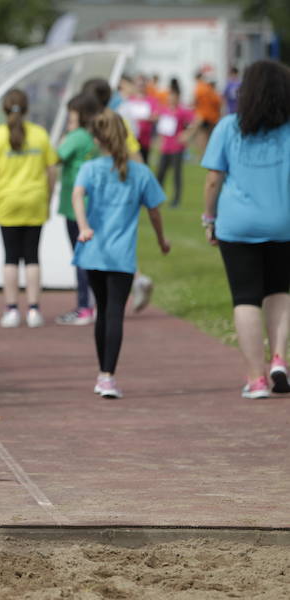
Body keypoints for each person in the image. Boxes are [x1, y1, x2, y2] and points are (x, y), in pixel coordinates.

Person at [201, 60, 290, 399]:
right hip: (282, 221)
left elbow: (213, 180)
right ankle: (280, 357)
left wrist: (209, 218)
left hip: (237, 224)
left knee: (246, 298)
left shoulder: (227, 127)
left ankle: (256, 379)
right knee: (279, 290)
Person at [72, 109, 170, 399]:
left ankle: (103, 373)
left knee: (103, 310)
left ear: (96, 138)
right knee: (114, 312)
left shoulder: (90, 168)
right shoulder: (140, 171)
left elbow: (77, 194)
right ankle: (107, 376)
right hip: (121, 256)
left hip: (94, 252)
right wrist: (162, 240)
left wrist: (83, 226)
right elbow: (154, 211)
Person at [0, 89, 58, 328]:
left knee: (11, 257)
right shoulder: (40, 135)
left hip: (7, 201)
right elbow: (52, 171)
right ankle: (34, 310)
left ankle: (12, 310)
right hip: (35, 199)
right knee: (33, 256)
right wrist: (47, 198)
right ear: (27, 109)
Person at [82, 77, 155, 313]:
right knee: (115, 242)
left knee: (101, 245)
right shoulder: (118, 122)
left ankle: (95, 300)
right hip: (116, 193)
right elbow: (136, 156)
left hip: (96, 195)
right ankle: (135, 279)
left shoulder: (94, 125)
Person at [55, 93, 100, 326]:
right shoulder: (93, 136)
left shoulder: (77, 136)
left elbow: (55, 156)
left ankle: (84, 306)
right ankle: (92, 304)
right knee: (90, 256)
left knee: (81, 257)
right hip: (90, 202)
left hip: (75, 204)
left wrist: (64, 137)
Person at [155, 79, 195, 208]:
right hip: (165, 147)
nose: (171, 99)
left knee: (176, 174)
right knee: (160, 173)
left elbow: (195, 121)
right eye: (169, 97)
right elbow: (159, 124)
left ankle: (176, 200)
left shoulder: (182, 111)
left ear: (177, 98)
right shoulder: (164, 110)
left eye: (173, 97)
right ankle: (157, 198)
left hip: (177, 147)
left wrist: (187, 134)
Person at [192, 70, 222, 155]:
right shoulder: (213, 93)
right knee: (210, 138)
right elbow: (218, 105)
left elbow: (196, 101)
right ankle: (209, 155)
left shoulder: (200, 88)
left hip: (203, 116)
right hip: (213, 118)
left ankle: (205, 155)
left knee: (201, 138)